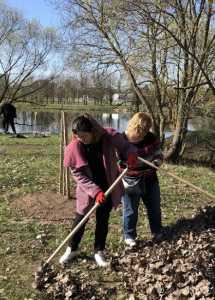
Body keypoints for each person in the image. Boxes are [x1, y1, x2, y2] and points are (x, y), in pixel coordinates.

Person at [60, 114, 137, 267]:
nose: (81, 139)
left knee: (103, 219)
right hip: (87, 189)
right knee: (80, 219)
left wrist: (131, 155)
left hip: (109, 186)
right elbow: (78, 175)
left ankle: (98, 251)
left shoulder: (109, 136)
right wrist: (95, 191)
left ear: (93, 131)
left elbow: (126, 146)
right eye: (78, 136)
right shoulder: (74, 146)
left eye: (84, 136)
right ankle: (72, 248)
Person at [118, 113, 164, 247]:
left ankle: (157, 232)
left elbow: (159, 155)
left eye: (146, 131)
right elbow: (112, 159)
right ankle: (129, 236)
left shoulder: (150, 137)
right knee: (130, 210)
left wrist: (156, 162)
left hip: (150, 179)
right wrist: (121, 157)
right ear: (135, 129)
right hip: (130, 180)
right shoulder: (121, 139)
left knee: (154, 207)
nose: (145, 135)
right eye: (142, 132)